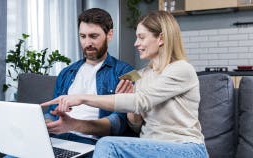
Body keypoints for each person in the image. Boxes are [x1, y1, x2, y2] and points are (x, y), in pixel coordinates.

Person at [41, 11, 209, 158]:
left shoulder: (181, 69)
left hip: (185, 148)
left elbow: (141, 100)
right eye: (82, 36)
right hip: (147, 148)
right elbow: (135, 125)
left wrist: (83, 98)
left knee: (107, 144)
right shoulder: (140, 75)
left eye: (141, 37)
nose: (136, 43)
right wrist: (129, 105)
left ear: (161, 38)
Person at [44, 7, 133, 147]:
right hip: (57, 139)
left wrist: (74, 125)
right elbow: (52, 113)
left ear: (109, 35)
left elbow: (119, 124)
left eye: (93, 36)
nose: (87, 43)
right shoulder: (67, 72)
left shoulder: (124, 72)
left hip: (90, 143)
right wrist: (45, 123)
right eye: (83, 36)